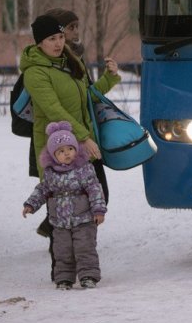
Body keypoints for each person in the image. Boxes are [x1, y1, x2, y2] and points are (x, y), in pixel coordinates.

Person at [21, 14, 120, 240]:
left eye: (60, 37)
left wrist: (109, 78)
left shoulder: (71, 61)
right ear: (39, 43)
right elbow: (55, 110)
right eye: (51, 39)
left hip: (83, 144)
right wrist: (84, 137)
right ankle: (63, 264)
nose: (58, 44)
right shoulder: (35, 72)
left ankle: (81, 253)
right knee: (62, 205)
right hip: (58, 149)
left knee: (97, 196)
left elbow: (88, 96)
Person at [22, 121, 106, 289]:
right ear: (53, 155)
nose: (67, 154)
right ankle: (64, 278)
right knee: (62, 250)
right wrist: (31, 204)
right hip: (59, 221)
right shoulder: (50, 173)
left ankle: (88, 275)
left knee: (85, 248)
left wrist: (98, 210)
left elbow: (95, 189)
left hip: (83, 218)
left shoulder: (84, 169)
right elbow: (42, 189)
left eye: (70, 149)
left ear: (76, 149)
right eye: (61, 151)